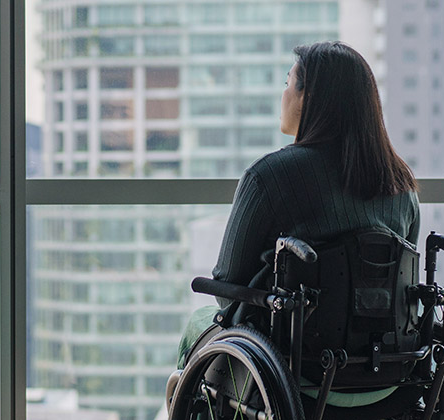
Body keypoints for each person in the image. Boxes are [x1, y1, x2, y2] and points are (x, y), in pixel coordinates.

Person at [172, 41, 421, 408]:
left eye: (288, 83)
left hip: (298, 378)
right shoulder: (401, 185)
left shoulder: (269, 176)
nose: (283, 93)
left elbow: (228, 285)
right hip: (386, 379)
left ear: (308, 98)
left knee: (200, 322)